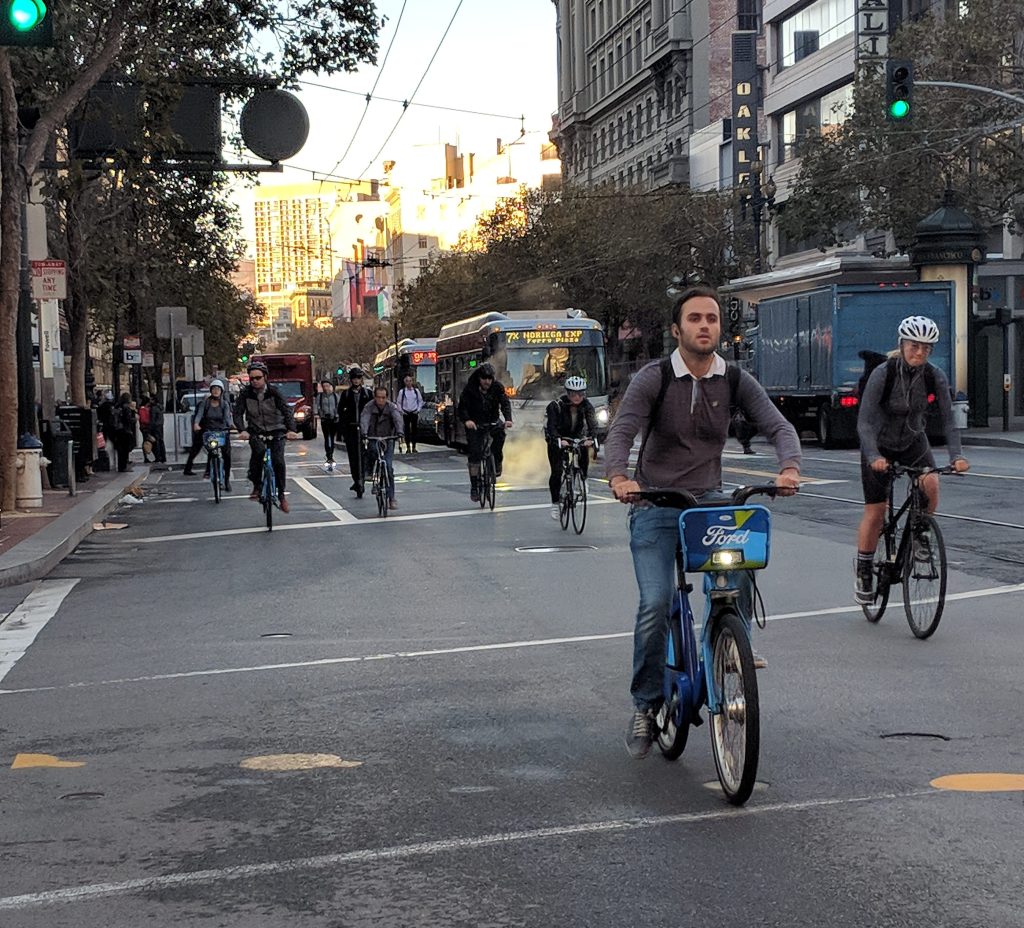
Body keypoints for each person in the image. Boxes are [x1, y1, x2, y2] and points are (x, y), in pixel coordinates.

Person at [604, 284, 802, 760]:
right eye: (695, 319)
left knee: (735, 572)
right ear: (678, 330)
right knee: (655, 603)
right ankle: (645, 705)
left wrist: (790, 466)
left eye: (711, 318)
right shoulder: (654, 378)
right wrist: (618, 476)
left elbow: (778, 425)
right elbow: (623, 429)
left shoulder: (733, 378)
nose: (705, 326)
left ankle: (730, 641)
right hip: (653, 502)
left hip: (707, 501)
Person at [854, 315, 969, 605]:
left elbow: (948, 420)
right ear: (902, 344)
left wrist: (956, 456)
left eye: (926, 348)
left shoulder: (934, 376)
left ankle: (920, 534)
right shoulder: (884, 373)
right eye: (914, 346)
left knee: (931, 482)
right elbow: (865, 422)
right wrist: (873, 456)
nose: (919, 352)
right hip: (879, 443)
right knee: (876, 511)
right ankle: (865, 570)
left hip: (912, 441)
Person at [234, 361, 299, 513]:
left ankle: (281, 495)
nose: (255, 381)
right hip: (256, 431)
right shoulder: (245, 394)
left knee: (278, 461)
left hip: (277, 430)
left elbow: (286, 411)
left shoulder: (274, 392)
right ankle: (257, 486)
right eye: (252, 379)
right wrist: (242, 430)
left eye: (258, 377)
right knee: (258, 454)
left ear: (265, 377)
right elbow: (237, 413)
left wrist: (291, 429)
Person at [457, 362, 513, 502]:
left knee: (500, 435)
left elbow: (505, 403)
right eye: (484, 378)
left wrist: (508, 419)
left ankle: (497, 461)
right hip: (475, 423)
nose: (487, 381)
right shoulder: (470, 389)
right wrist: (467, 420)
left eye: (489, 378)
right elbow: (462, 407)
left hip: (492, 420)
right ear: (479, 378)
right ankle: (474, 486)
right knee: (475, 452)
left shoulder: (497, 387)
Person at [544, 375, 597, 520]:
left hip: (576, 436)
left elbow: (593, 423)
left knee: (583, 450)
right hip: (558, 438)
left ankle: (583, 478)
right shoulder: (556, 406)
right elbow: (551, 427)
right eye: (574, 393)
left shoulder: (587, 405)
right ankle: (555, 503)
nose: (578, 397)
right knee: (556, 472)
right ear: (568, 393)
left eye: (581, 393)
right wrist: (558, 440)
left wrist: (592, 438)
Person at [183, 378, 234, 490]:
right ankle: (209, 471)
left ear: (222, 391)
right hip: (209, 432)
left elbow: (227, 418)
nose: (216, 391)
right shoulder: (205, 404)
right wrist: (196, 424)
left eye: (218, 389)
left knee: (227, 455)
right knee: (211, 451)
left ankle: (226, 480)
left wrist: (231, 425)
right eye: (214, 389)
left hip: (222, 431)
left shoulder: (224, 404)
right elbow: (199, 415)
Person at [360, 386, 404, 509]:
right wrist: (364, 433)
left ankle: (392, 498)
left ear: (387, 398)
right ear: (374, 397)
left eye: (383, 397)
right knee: (372, 450)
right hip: (374, 436)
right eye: (378, 397)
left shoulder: (391, 407)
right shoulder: (369, 407)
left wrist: (400, 432)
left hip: (388, 438)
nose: (380, 400)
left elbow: (397, 419)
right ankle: (369, 471)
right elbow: (365, 419)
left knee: (389, 467)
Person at [337, 366, 373, 497]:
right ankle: (356, 480)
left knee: (366, 454)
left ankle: (363, 477)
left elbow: (372, 411)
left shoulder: (368, 394)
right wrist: (341, 432)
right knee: (353, 457)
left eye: (359, 378)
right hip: (351, 429)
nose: (356, 381)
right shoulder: (346, 394)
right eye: (354, 378)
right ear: (351, 380)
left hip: (365, 429)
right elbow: (340, 413)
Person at [396, 372, 425, 453]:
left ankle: (414, 447)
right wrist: (401, 411)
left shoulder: (416, 391)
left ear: (412, 382)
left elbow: (420, 401)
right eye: (407, 381)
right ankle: (408, 447)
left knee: (414, 430)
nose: (408, 382)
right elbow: (398, 402)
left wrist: (418, 410)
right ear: (405, 382)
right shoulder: (402, 392)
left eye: (410, 381)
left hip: (414, 412)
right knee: (407, 430)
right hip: (406, 413)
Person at [315, 379, 339, 470]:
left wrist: (337, 415)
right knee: (326, 437)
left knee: (332, 438)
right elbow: (317, 406)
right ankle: (328, 454)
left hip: (334, 419)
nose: (326, 388)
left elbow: (338, 406)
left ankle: (331, 454)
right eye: (324, 386)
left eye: (327, 386)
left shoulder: (336, 396)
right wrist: (320, 415)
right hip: (325, 419)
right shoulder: (320, 396)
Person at [112, 392, 137, 473]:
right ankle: (124, 466)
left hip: (118, 430)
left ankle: (120, 466)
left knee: (120, 450)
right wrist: (134, 415)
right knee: (125, 449)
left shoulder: (117, 406)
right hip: (125, 430)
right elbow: (129, 420)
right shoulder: (127, 408)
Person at [147, 395, 166, 464]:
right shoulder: (160, 407)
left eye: (151, 400)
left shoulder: (153, 408)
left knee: (156, 442)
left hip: (155, 427)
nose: (150, 401)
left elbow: (152, 419)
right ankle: (163, 457)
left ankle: (158, 457)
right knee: (161, 441)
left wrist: (149, 429)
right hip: (160, 426)